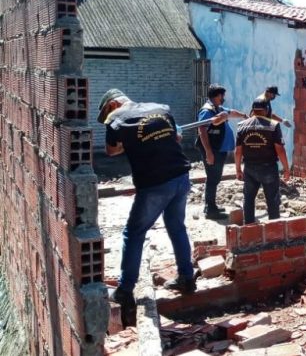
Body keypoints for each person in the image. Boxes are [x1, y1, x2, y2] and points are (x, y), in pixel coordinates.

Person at [98, 88, 196, 314]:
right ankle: (187, 278)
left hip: (155, 183)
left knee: (134, 233)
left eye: (106, 113)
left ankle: (125, 290)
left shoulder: (116, 119)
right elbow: (177, 137)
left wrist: (131, 142)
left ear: (112, 105)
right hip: (181, 176)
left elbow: (111, 151)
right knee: (177, 227)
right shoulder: (161, 109)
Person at [235, 98, 291, 223]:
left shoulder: (241, 126)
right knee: (272, 200)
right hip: (268, 168)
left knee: (248, 199)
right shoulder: (273, 125)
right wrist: (286, 169)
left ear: (253, 110)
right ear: (266, 110)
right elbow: (280, 150)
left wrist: (238, 169)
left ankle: (248, 228)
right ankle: (274, 229)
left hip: (249, 168)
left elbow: (238, 151)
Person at [196, 84, 247, 220]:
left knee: (215, 178)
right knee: (213, 178)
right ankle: (210, 210)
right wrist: (209, 152)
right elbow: (201, 130)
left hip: (219, 149)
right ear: (217, 96)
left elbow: (231, 112)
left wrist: (243, 115)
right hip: (213, 150)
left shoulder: (217, 108)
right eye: (222, 96)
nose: (223, 98)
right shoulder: (207, 111)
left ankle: (211, 206)